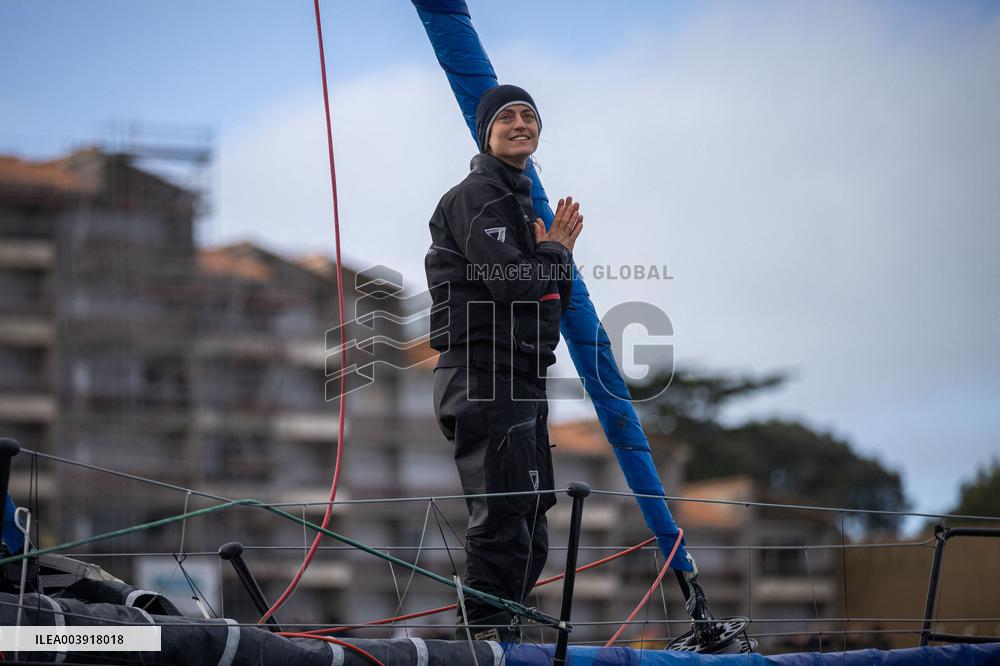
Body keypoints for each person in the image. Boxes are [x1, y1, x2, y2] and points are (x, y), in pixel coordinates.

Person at [424, 84, 584, 641]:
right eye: (507, 118)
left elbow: (549, 303)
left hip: (521, 380)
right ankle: (485, 639)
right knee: (501, 516)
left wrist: (551, 261)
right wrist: (554, 253)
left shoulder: (518, 205)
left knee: (532, 522)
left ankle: (505, 635)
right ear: (485, 133)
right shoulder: (476, 196)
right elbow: (513, 283)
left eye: (529, 116)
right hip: (482, 374)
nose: (521, 123)